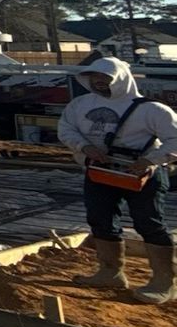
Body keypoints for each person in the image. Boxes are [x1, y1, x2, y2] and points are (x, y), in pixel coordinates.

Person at [57, 57, 177, 303]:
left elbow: (175, 138)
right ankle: (110, 272)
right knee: (100, 219)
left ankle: (164, 281)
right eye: (94, 78)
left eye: (105, 77)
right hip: (100, 172)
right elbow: (66, 128)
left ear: (121, 77)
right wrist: (85, 147)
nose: (99, 82)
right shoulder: (80, 105)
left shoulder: (151, 110)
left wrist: (150, 160)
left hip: (141, 174)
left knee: (149, 223)